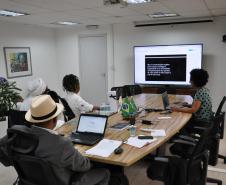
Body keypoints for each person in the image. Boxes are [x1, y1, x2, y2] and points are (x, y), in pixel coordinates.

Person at [0, 95, 110, 185]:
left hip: (30, 181)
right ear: (54, 119)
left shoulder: (16, 135)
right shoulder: (61, 144)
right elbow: (84, 166)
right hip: (65, 181)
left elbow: (4, 156)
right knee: (105, 172)